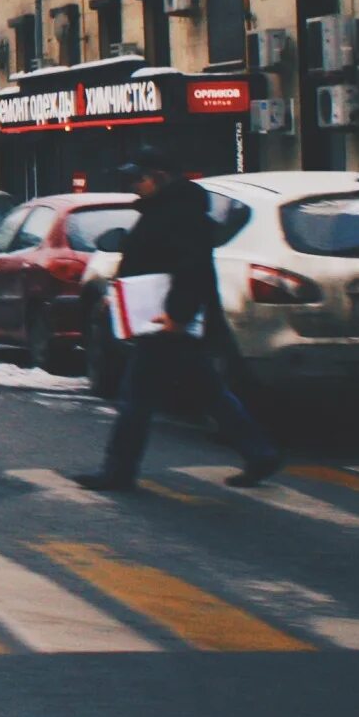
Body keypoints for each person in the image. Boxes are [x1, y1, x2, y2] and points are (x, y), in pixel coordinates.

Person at [77, 147, 281, 493]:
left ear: (160, 176)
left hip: (167, 320)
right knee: (209, 392)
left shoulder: (181, 213)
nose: (133, 186)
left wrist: (177, 315)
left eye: (138, 178)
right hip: (161, 316)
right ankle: (259, 453)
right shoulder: (164, 208)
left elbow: (192, 267)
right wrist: (116, 298)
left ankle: (118, 472)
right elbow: (148, 262)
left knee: (136, 398)